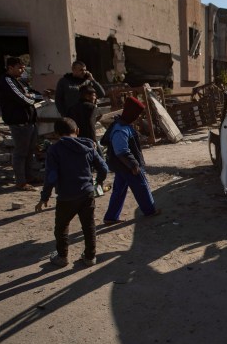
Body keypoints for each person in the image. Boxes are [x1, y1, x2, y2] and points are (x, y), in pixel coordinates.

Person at [36, 118, 108, 267]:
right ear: (77, 131)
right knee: (88, 226)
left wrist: (44, 197)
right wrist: (98, 182)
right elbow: (104, 168)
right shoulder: (88, 146)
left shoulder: (54, 150)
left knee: (61, 227)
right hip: (87, 194)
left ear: (56, 134)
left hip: (66, 196)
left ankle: (62, 257)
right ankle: (90, 257)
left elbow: (51, 176)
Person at [102, 96, 161, 224]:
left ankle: (111, 217)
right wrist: (133, 165)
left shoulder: (122, 125)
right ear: (131, 113)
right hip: (127, 166)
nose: (137, 116)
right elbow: (121, 151)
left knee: (119, 191)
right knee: (141, 186)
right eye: (137, 114)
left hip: (121, 166)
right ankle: (150, 210)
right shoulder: (121, 129)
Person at [0, 57, 41, 191]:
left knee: (29, 151)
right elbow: (22, 98)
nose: (22, 70)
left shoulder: (20, 81)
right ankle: (21, 182)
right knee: (21, 153)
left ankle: (29, 177)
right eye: (20, 67)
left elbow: (33, 93)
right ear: (10, 68)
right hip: (19, 122)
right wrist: (32, 99)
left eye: (23, 67)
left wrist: (35, 97)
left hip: (29, 121)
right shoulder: (7, 81)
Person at [67, 85, 101, 149]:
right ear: (87, 96)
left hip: (76, 138)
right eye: (94, 95)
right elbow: (90, 124)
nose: (95, 98)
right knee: (99, 157)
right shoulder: (91, 107)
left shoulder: (72, 108)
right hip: (88, 139)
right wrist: (93, 140)